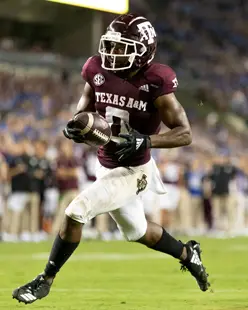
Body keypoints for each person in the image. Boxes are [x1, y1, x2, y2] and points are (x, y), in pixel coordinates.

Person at [12, 13, 210, 304]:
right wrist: (76, 125)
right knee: (139, 231)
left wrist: (146, 140)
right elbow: (85, 109)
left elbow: (184, 133)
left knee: (75, 211)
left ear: (144, 52)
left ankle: (45, 280)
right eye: (113, 45)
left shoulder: (156, 80)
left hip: (134, 169)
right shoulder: (96, 68)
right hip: (105, 165)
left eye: (123, 48)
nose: (114, 53)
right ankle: (186, 253)